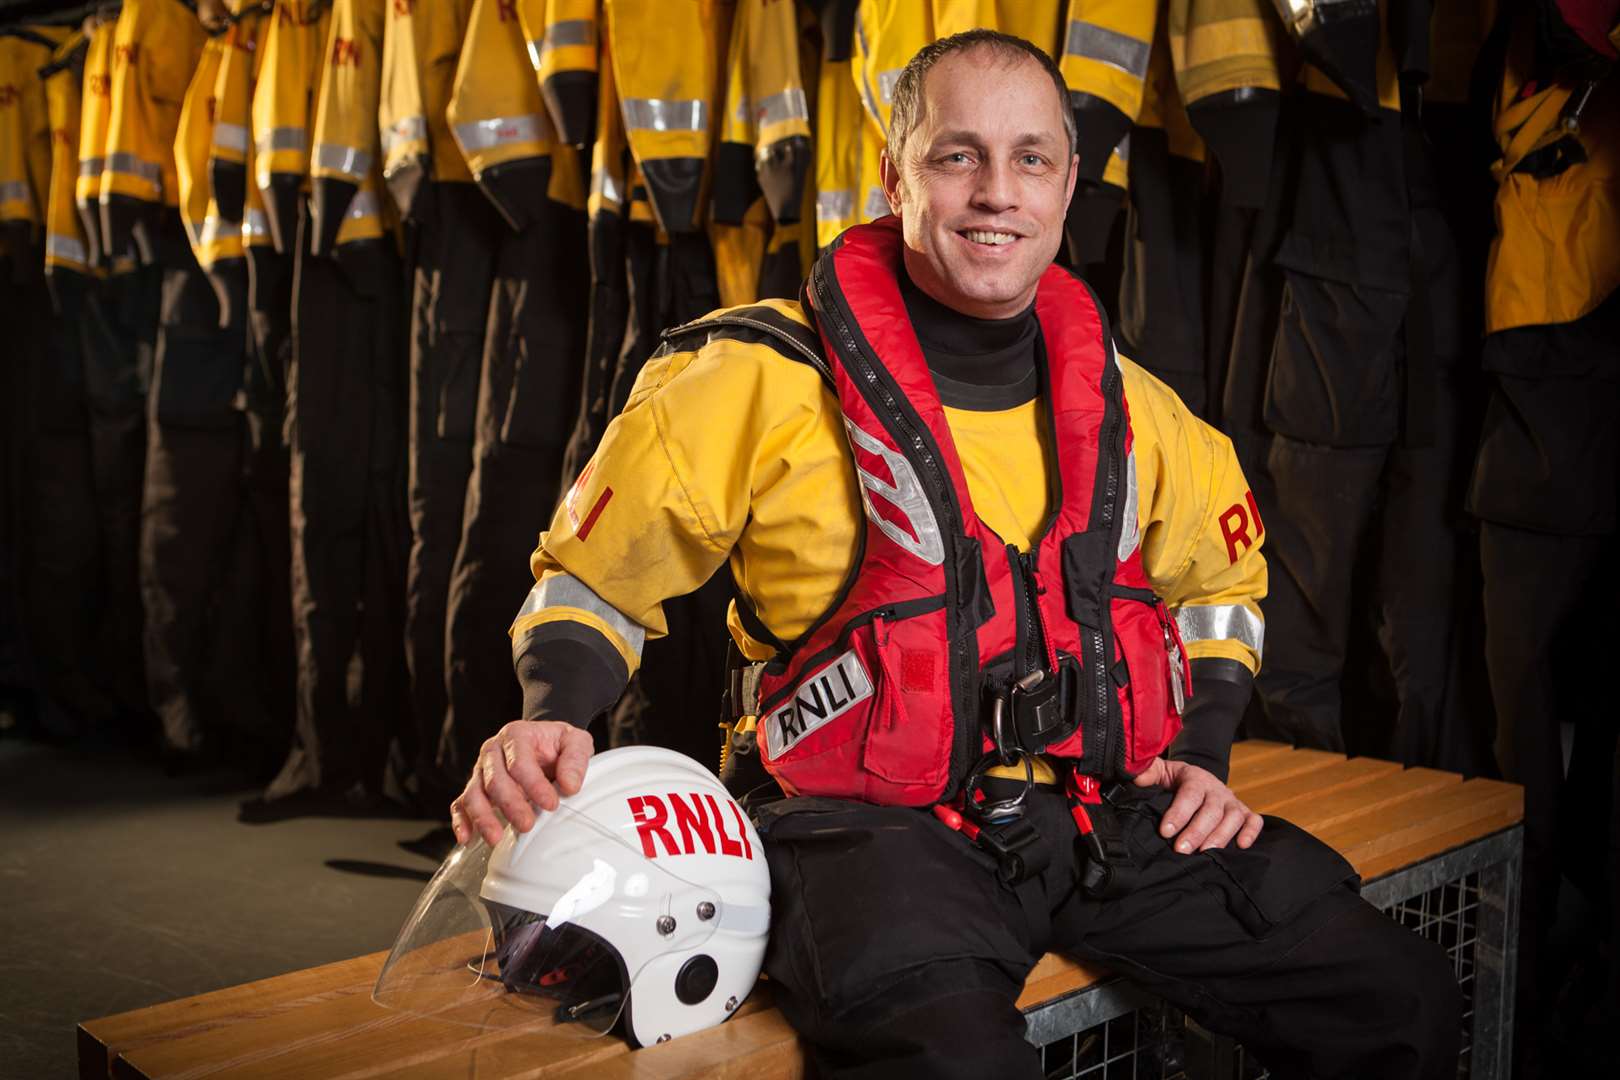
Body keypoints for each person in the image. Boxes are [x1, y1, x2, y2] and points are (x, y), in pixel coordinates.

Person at [451, 31, 1461, 1079]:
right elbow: (593, 577)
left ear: (1071, 183)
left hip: (1099, 810)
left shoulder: (1134, 409)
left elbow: (1225, 588)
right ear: (894, 174)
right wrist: (549, 714)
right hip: (864, 833)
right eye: (956, 156)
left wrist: (1203, 749)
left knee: (1399, 996)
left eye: (1030, 159)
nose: (996, 193)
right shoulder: (748, 377)